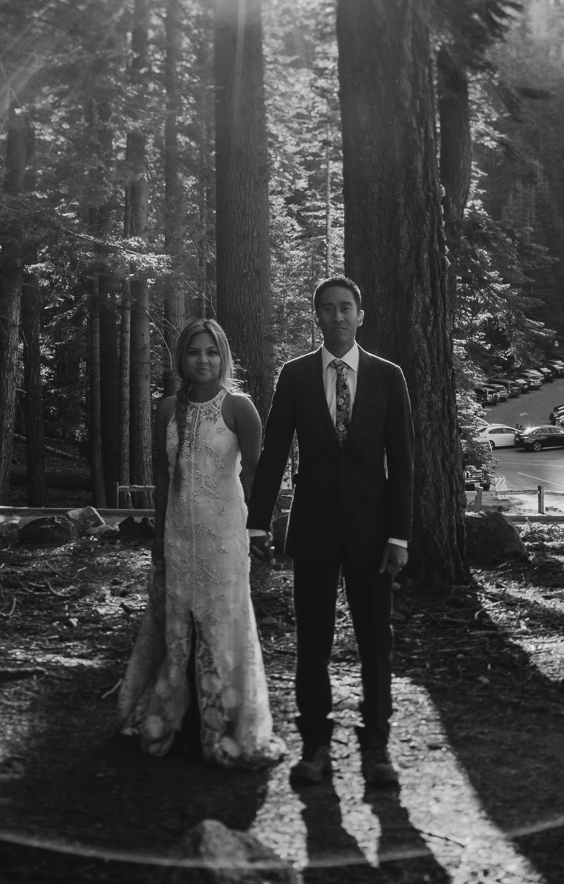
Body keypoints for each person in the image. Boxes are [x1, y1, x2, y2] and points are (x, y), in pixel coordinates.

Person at [246, 276, 412, 791]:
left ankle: (377, 743)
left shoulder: (388, 377)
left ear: (361, 314)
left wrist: (400, 536)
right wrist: (256, 522)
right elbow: (273, 453)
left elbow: (403, 462)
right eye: (327, 309)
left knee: (374, 642)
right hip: (314, 527)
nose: (337, 317)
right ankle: (315, 745)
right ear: (316, 316)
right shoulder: (295, 377)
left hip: (373, 531)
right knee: (312, 641)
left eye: (345, 308)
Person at [116, 319, 284, 769]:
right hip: (178, 537)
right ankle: (180, 718)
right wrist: (158, 537)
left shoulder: (239, 408)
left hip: (224, 538)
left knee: (221, 625)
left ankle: (225, 721)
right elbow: (163, 477)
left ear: (223, 356)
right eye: (194, 352)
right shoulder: (167, 408)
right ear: (181, 359)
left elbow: (255, 475)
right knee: (178, 624)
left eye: (212, 352)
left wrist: (260, 531)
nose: (203, 360)